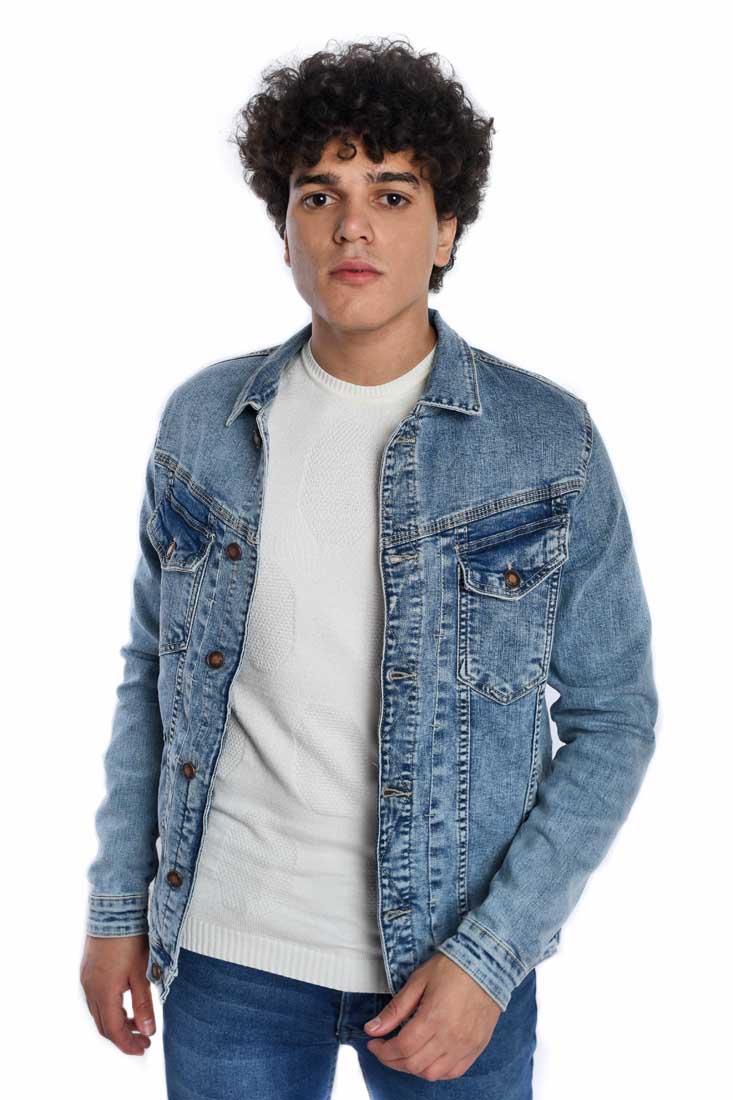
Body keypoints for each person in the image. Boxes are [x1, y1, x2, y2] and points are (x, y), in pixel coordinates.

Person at [79, 36, 658, 1098]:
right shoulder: (203, 422)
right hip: (228, 956)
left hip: (450, 966)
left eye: (392, 195)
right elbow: (150, 675)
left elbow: (614, 717)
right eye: (320, 196)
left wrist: (491, 955)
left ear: (446, 230)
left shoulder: (547, 442)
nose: (353, 226)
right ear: (285, 230)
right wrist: (117, 907)